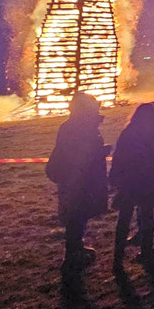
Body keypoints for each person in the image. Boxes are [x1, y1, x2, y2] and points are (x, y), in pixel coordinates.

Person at [46, 92, 110, 273]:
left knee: (78, 216)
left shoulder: (73, 125)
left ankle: (76, 249)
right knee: (76, 215)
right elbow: (80, 155)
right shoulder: (79, 127)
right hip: (79, 180)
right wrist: (100, 153)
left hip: (76, 179)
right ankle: (72, 256)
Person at [110, 103, 154, 272]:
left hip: (130, 181)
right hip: (150, 180)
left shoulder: (130, 131)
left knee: (124, 217)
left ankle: (118, 256)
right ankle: (146, 251)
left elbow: (119, 156)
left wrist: (114, 178)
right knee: (146, 215)